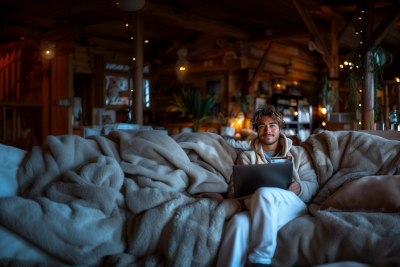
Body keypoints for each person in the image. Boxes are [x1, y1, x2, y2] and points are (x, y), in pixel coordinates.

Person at [217, 104, 318, 267]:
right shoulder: (247, 158)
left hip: (291, 205)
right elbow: (233, 193)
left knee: (264, 192)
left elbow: (313, 184)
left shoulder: (299, 153)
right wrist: (254, 196)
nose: (267, 130)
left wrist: (300, 187)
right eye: (262, 126)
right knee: (238, 221)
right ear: (257, 130)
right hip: (259, 209)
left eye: (272, 125)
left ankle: (261, 259)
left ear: (280, 129)